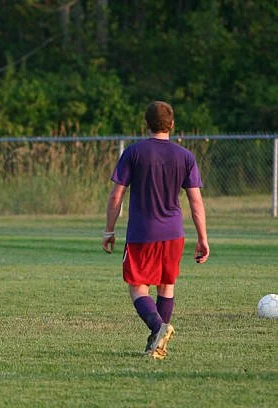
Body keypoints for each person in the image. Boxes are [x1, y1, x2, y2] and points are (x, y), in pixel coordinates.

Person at [102, 101, 209, 360]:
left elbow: (117, 195)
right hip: (174, 233)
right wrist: (203, 238)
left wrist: (109, 230)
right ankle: (157, 344)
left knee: (138, 286)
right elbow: (196, 202)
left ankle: (158, 327)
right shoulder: (185, 156)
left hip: (142, 233)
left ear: (146, 124)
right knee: (166, 284)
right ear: (172, 124)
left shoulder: (134, 152)